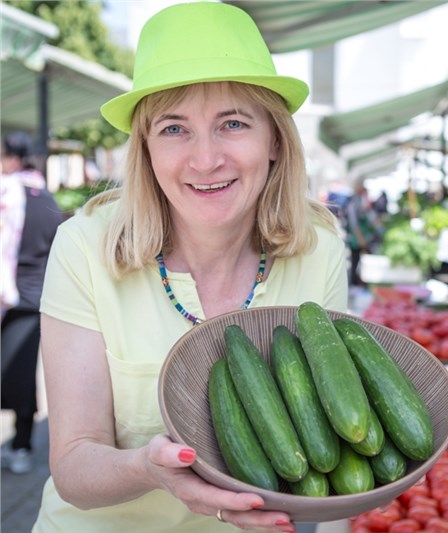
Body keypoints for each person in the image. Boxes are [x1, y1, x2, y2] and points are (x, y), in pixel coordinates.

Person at [34, 3, 348, 532]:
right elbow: (72, 465)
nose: (206, 160)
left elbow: (328, 434)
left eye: (232, 123)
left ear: (274, 139)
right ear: (147, 149)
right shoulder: (84, 247)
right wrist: (149, 469)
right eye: (175, 129)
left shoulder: (320, 251)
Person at [1, 131, 63, 474]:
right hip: (32, 296)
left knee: (13, 375)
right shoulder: (47, 198)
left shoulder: (5, 195)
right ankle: (21, 444)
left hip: (11, 296)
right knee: (21, 374)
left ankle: (20, 445)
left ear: (10, 159)